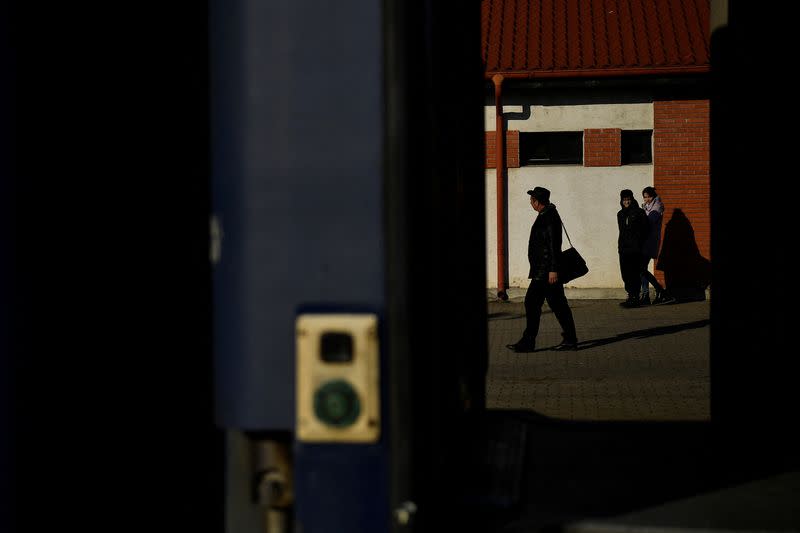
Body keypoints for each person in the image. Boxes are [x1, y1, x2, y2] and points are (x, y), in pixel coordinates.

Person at [507, 187, 578, 353]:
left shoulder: (549, 217)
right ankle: (569, 339)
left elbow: (554, 245)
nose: (530, 202)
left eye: (532, 199)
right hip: (543, 270)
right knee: (558, 304)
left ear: (537, 202)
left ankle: (529, 342)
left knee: (532, 302)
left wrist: (553, 269)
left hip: (546, 272)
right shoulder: (546, 215)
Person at [639, 186, 675, 305]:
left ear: (653, 196)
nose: (646, 199)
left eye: (648, 197)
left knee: (641, 268)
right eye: (644, 197)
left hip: (650, 242)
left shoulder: (657, 206)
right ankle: (650, 294)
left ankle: (657, 292)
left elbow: (649, 221)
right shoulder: (646, 206)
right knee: (641, 269)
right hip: (644, 241)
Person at [617, 189, 648, 308]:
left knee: (634, 273)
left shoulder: (639, 212)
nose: (627, 202)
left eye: (628, 199)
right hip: (623, 249)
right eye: (624, 200)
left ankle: (635, 297)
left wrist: (639, 242)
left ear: (632, 199)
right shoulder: (620, 214)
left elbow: (645, 229)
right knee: (625, 273)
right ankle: (630, 295)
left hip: (635, 249)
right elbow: (622, 231)